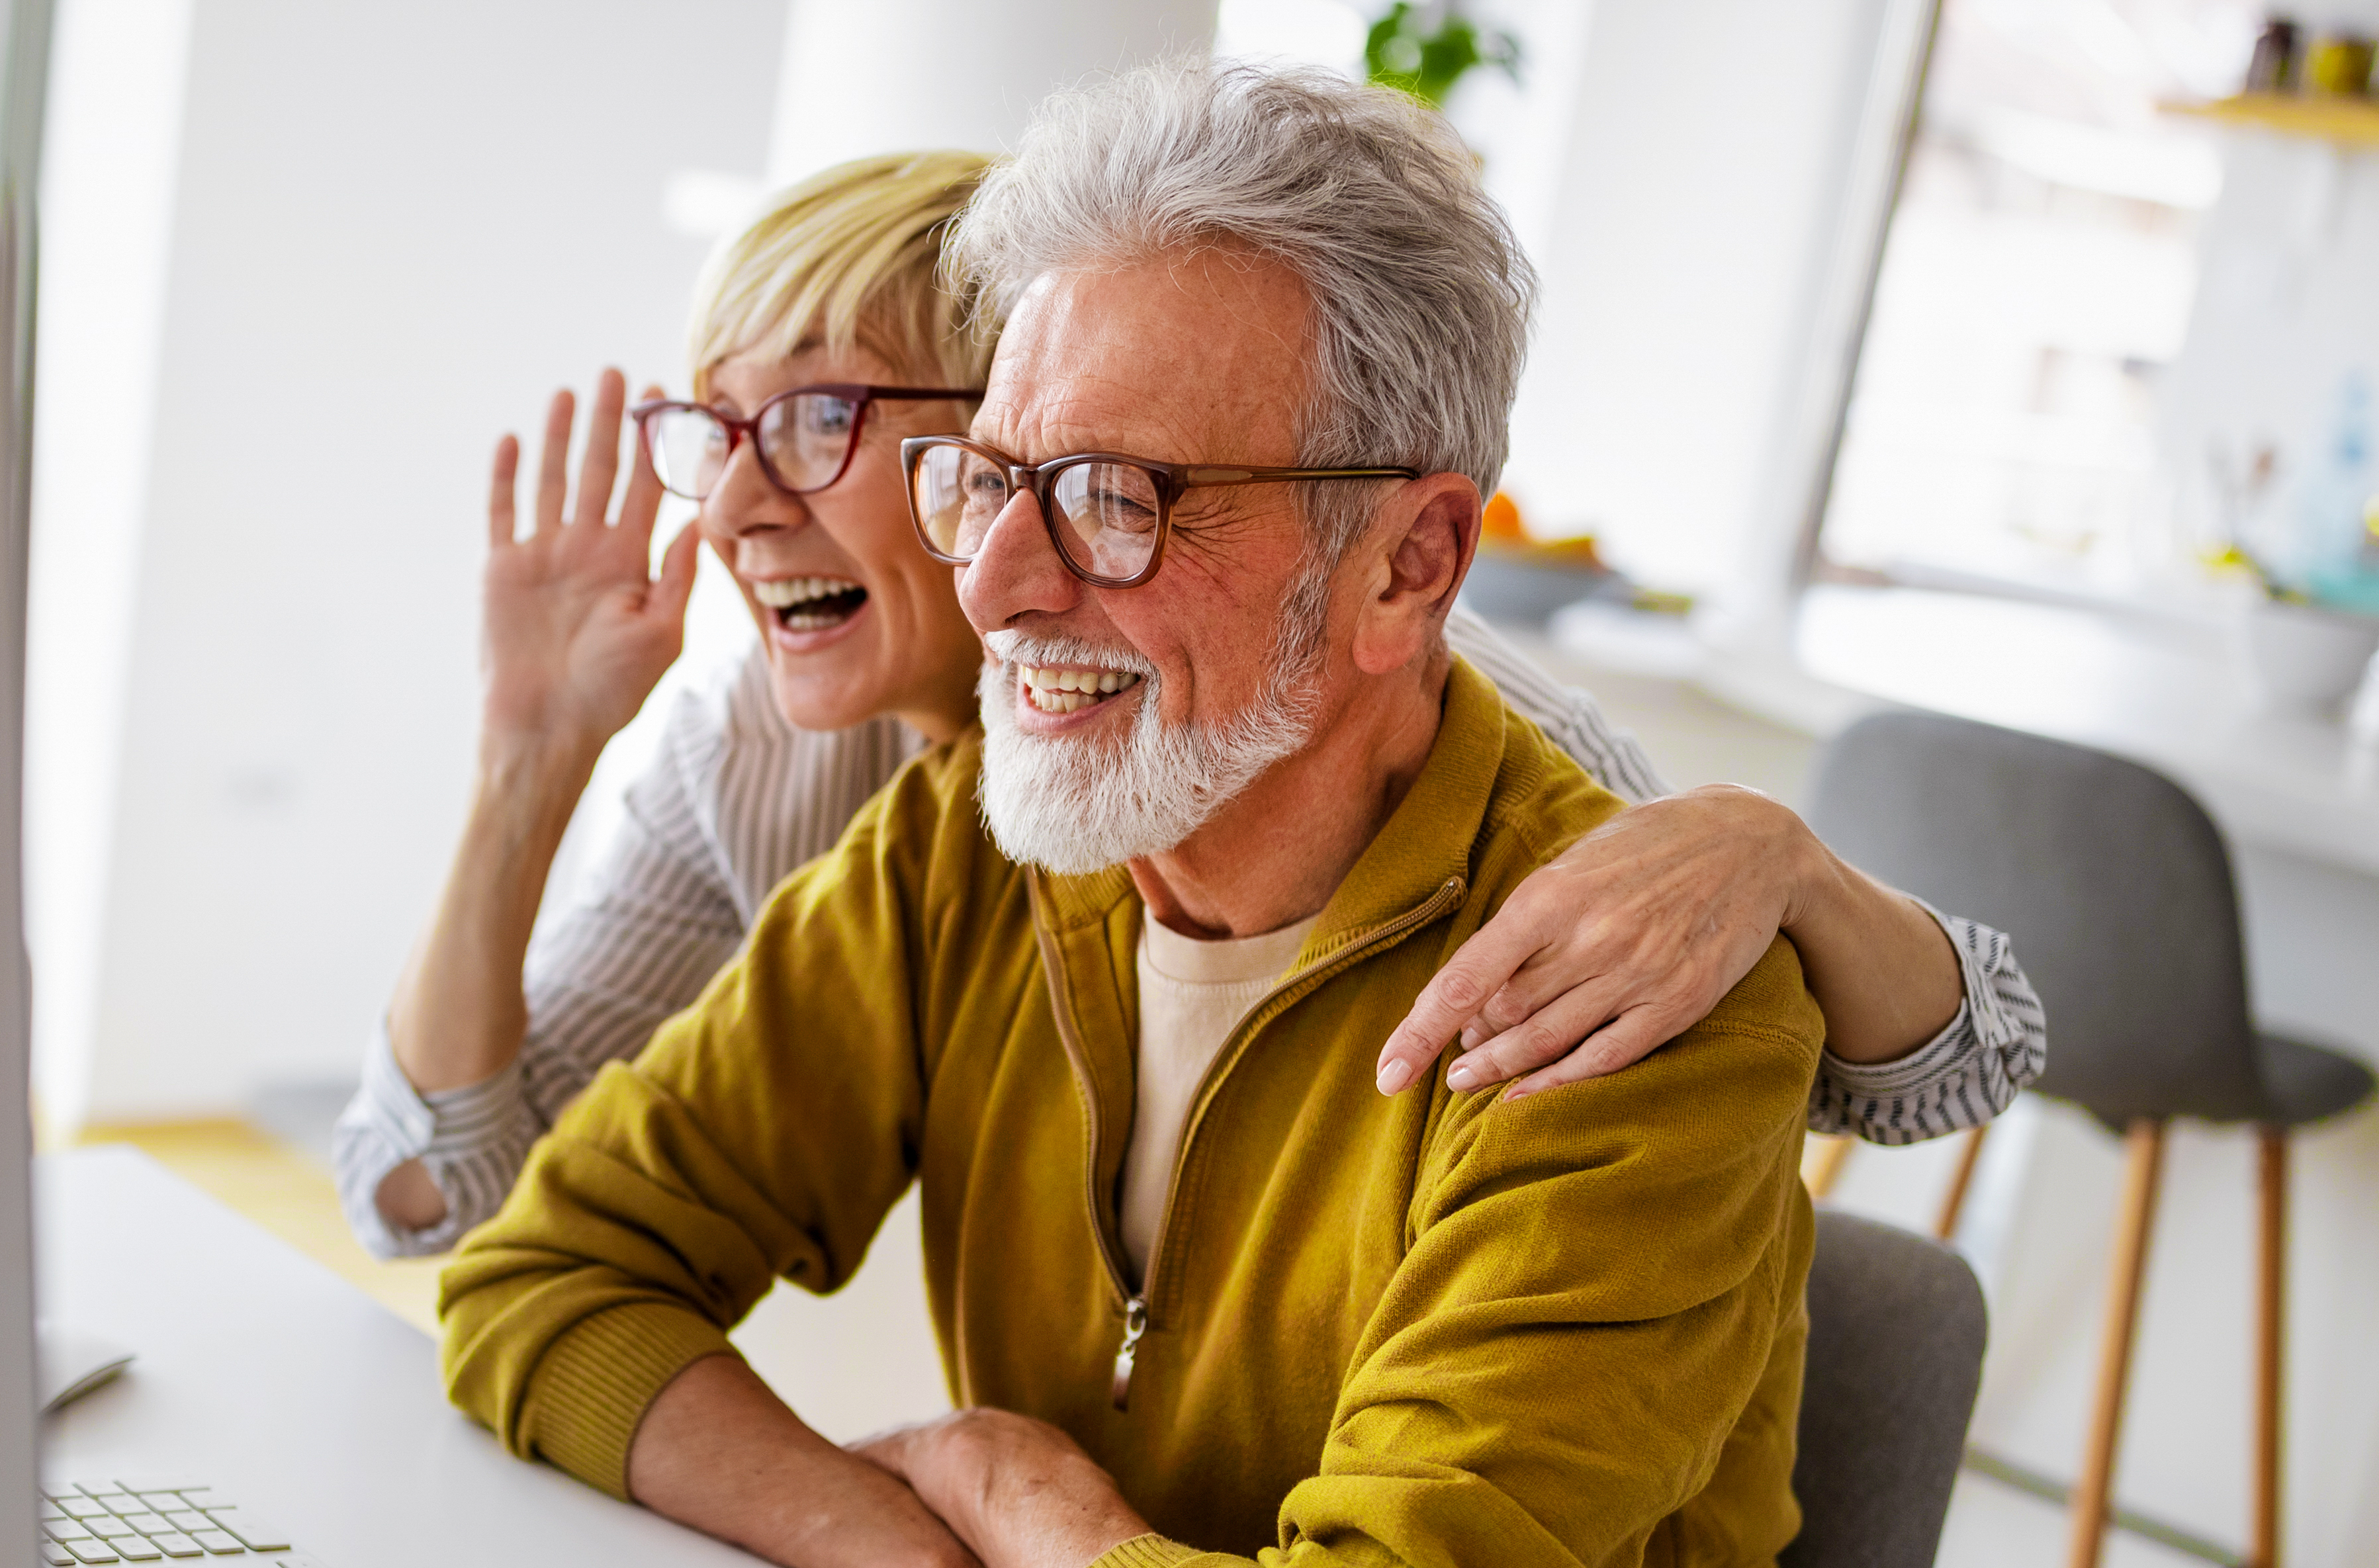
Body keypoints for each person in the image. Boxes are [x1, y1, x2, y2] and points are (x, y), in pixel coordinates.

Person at [441, 64, 1883, 1568]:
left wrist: (1008, 1487)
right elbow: (538, 1282)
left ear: (1405, 568)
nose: (1005, 581)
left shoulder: (1633, 1015)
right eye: (994, 481)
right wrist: (913, 1559)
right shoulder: (979, 838)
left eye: (1121, 502)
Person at [330, 151, 2041, 1262]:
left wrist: (1777, 860)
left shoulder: (1421, 746)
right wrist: (526, 764)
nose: (734, 509)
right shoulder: (772, 768)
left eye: (821, 421)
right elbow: (437, 1200)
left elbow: (1914, 1084)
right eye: (718, 432)